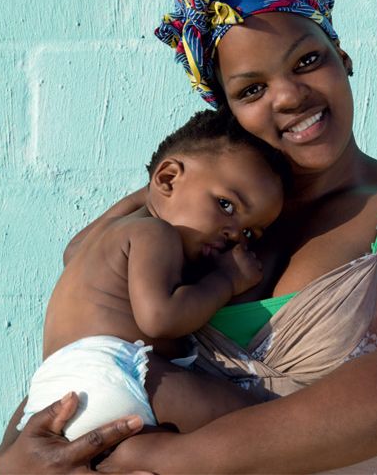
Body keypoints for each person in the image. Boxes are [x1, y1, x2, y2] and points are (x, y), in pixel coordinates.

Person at [0, 0, 377, 475]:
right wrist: (18, 453)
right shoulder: (194, 221)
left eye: (308, 60)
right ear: (227, 108)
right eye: (252, 89)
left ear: (343, 55)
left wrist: (177, 457)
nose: (288, 97)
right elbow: (96, 344)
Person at [15, 107, 288, 441]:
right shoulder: (156, 234)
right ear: (167, 179)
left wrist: (151, 192)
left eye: (250, 234)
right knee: (263, 422)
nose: (234, 233)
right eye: (226, 205)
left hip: (53, 391)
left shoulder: (104, 239)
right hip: (116, 374)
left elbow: (71, 250)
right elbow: (161, 318)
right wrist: (226, 279)